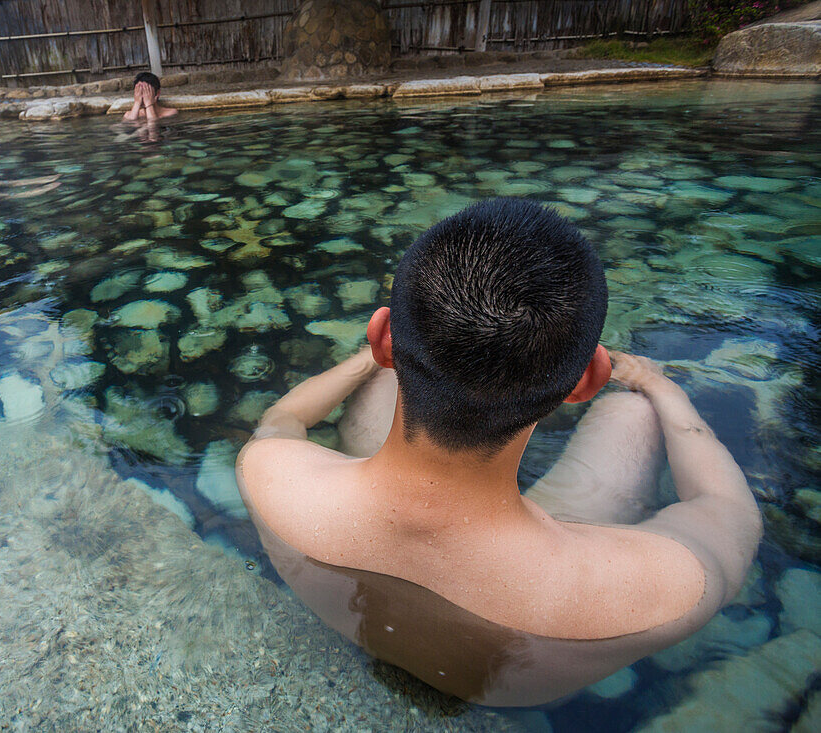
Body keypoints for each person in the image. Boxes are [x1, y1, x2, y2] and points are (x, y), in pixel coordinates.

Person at [235, 198, 762, 706]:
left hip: (345, 526)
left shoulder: (269, 473)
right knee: (637, 411)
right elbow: (727, 509)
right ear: (587, 380)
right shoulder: (665, 594)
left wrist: (370, 361)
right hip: (549, 589)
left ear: (381, 337)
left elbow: (284, 418)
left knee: (384, 386)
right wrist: (663, 389)